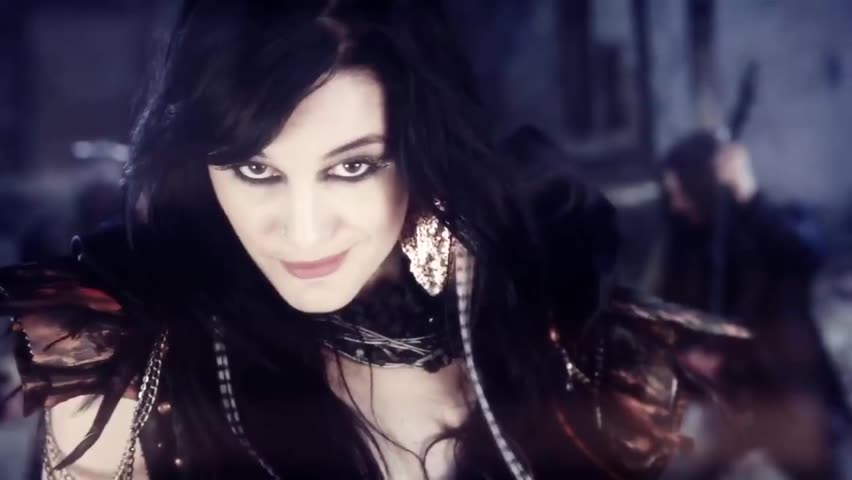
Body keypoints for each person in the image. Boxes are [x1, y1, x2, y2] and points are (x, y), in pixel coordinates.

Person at [0, 3, 747, 479]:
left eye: (352, 167)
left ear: (423, 152)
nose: (302, 232)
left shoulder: (552, 329)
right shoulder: (133, 366)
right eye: (256, 169)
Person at [655, 130, 852, 479]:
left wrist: (748, 193)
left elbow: (806, 252)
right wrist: (689, 354)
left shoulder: (766, 228)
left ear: (701, 185)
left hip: (788, 396)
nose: (676, 204)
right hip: (730, 402)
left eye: (681, 192)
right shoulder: (689, 244)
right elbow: (672, 310)